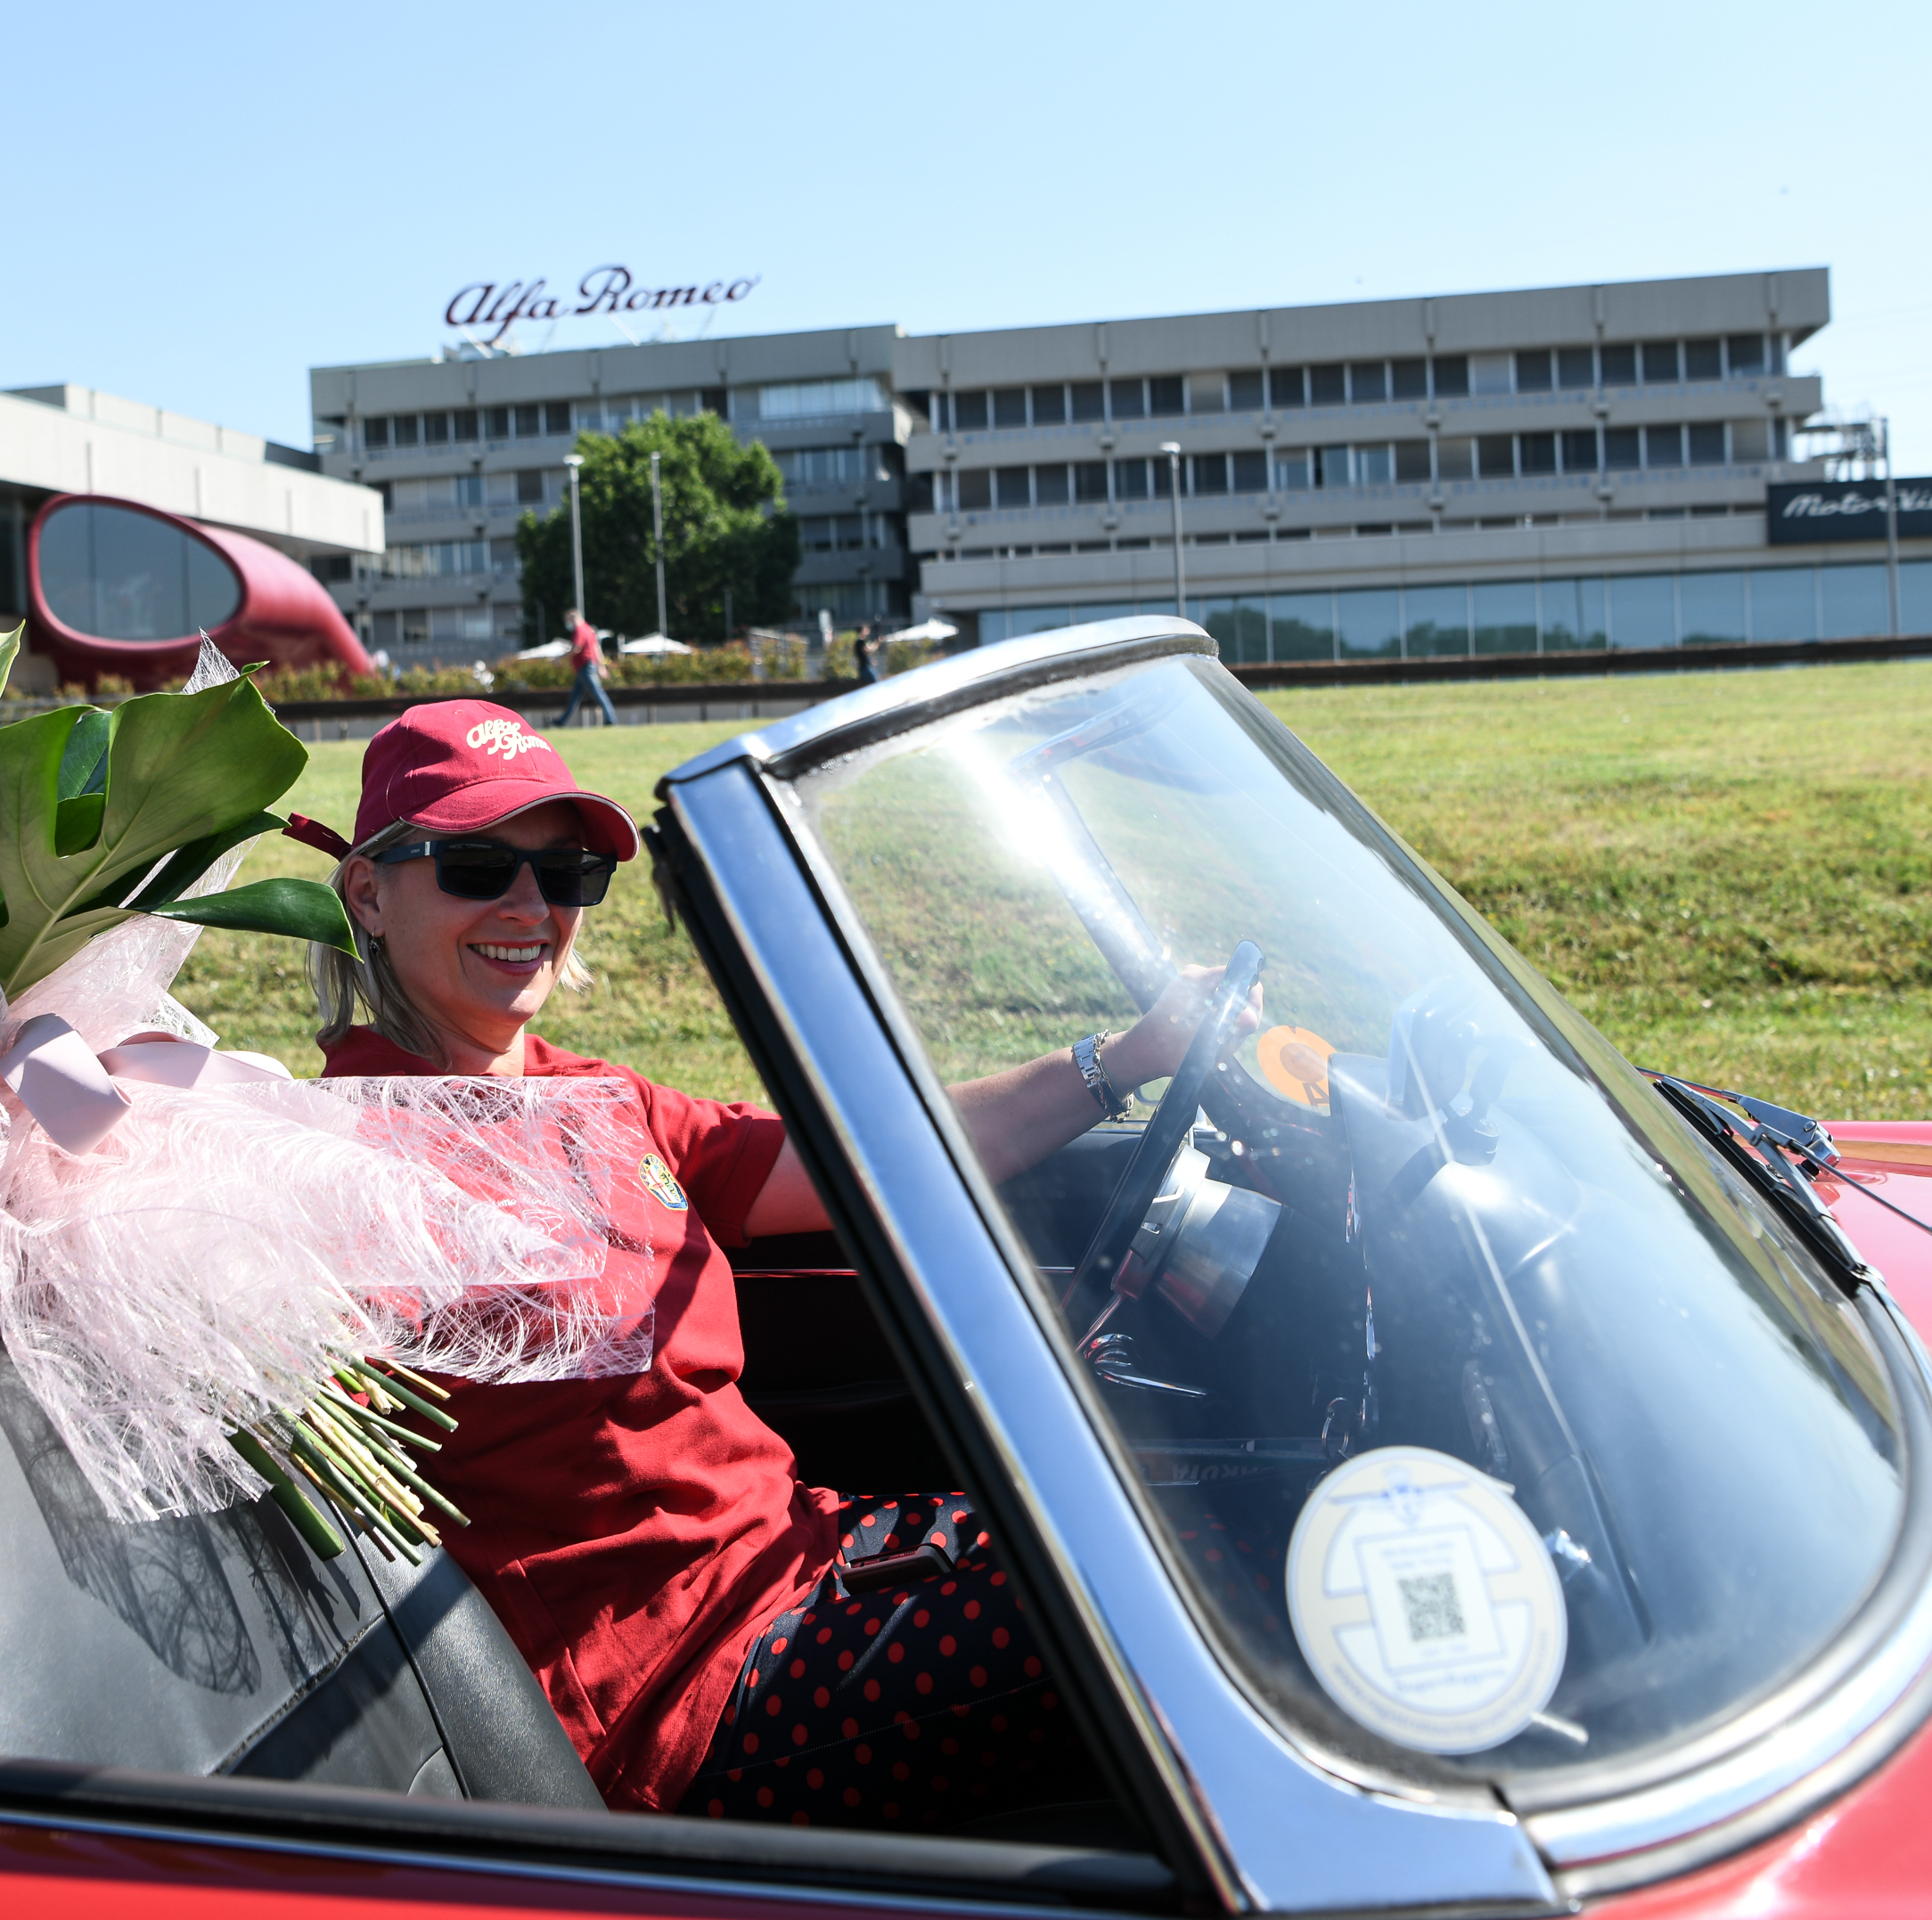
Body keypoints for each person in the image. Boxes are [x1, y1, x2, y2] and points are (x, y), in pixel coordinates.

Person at [291, 700, 1247, 1834]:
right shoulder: (330, 1165)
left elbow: (874, 1157)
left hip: (814, 1565)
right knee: (1200, 1601)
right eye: (476, 865)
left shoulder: (597, 1096)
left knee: (1192, 1515)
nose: (529, 907)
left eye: (565, 876)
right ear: (366, 892)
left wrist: (1127, 1057)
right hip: (689, 1702)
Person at [555, 608, 617, 728]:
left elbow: (576, 648)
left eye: (568, 620)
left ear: (573, 618)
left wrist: (560, 658)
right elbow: (596, 649)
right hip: (586, 667)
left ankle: (611, 719)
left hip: (585, 668)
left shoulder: (580, 630)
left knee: (598, 693)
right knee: (575, 697)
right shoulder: (589, 629)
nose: (568, 624)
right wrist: (601, 667)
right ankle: (561, 721)